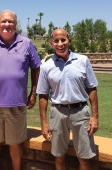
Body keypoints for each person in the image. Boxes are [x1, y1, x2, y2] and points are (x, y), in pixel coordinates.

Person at [0, 9, 41, 170]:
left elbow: (36, 68)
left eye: (10, 21)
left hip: (17, 104)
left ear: (16, 25)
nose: (7, 24)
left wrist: (33, 93)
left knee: (16, 144)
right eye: (4, 21)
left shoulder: (26, 43)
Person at [37, 28, 99, 170]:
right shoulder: (46, 66)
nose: (60, 44)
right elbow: (43, 95)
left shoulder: (83, 61)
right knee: (59, 157)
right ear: (51, 43)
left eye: (63, 40)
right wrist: (44, 124)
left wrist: (94, 117)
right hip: (58, 113)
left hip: (81, 112)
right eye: (56, 41)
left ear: (69, 40)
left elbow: (92, 89)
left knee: (84, 157)